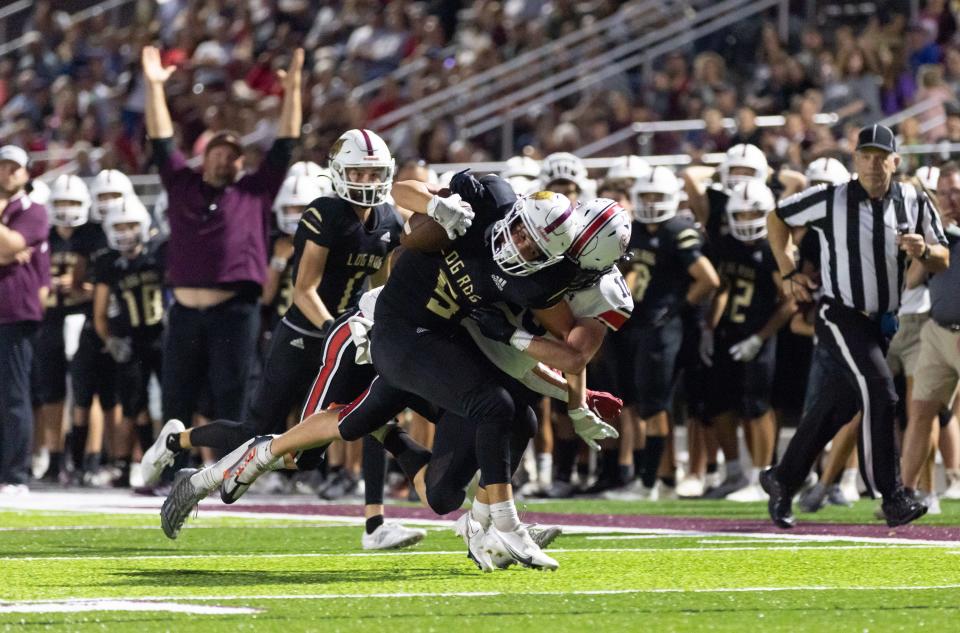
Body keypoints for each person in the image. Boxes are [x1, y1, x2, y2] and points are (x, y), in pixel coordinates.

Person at [762, 124, 950, 529]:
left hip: (882, 324)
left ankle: (782, 478)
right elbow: (775, 218)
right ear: (855, 159)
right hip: (840, 313)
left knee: (835, 408)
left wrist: (925, 251)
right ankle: (893, 494)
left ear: (895, 161)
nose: (873, 164)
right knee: (880, 392)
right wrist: (787, 271)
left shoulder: (914, 200)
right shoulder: (831, 197)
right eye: (865, 156)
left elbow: (942, 257)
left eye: (881, 157)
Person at [141, 45, 302, 447]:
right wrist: (154, 86)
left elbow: (285, 143)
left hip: (234, 310)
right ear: (204, 157)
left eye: (233, 155)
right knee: (176, 395)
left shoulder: (255, 191)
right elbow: (161, 140)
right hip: (183, 313)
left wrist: (294, 89)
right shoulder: (182, 185)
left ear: (241, 163)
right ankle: (172, 471)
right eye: (217, 152)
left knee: (232, 394)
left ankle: (229, 472)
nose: (224, 160)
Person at [604, 167, 719, 501]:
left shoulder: (677, 230)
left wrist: (676, 309)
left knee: (654, 405)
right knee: (648, 403)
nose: (651, 202)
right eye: (646, 196)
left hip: (663, 327)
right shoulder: (634, 229)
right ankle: (662, 480)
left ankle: (649, 483)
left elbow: (708, 279)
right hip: (637, 325)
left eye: (657, 196)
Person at [93, 196, 165, 487]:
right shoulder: (109, 262)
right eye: (118, 226)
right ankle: (129, 464)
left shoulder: (158, 255)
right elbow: (100, 311)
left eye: (130, 225)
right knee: (133, 406)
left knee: (177, 400)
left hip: (162, 337)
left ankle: (194, 461)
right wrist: (109, 340)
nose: (124, 231)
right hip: (131, 342)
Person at [900, 160, 960, 501]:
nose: (949, 200)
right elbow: (911, 282)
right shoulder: (938, 233)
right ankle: (906, 495)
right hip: (937, 332)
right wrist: (924, 249)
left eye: (956, 192)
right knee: (920, 412)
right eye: (944, 192)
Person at [0, 145, 49, 494]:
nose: (7, 172)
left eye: (14, 167)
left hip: (15, 312)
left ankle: (16, 475)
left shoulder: (34, 211)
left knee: (14, 396)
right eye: (3, 166)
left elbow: (13, 243)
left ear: (26, 173)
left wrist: (11, 249)